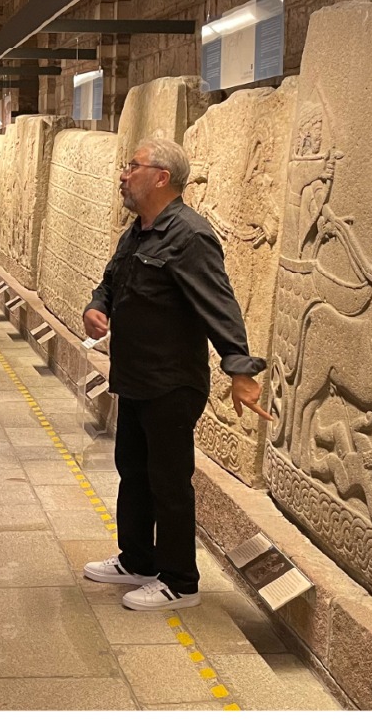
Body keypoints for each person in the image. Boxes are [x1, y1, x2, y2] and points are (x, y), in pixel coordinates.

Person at [81, 138, 271, 612]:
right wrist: (95, 307)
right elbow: (110, 281)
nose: (124, 175)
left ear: (161, 177)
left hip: (171, 383)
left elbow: (219, 304)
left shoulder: (189, 235)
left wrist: (240, 370)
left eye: (133, 167)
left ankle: (180, 582)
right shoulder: (138, 231)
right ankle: (138, 560)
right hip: (136, 377)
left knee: (168, 481)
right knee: (134, 473)